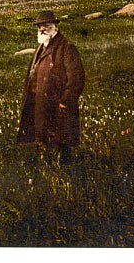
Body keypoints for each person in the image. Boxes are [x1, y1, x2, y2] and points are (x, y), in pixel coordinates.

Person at [17, 10, 85, 157]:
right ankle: (48, 174)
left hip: (58, 108)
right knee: (43, 145)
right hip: (40, 105)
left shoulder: (67, 48)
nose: (42, 30)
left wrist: (64, 102)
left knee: (61, 148)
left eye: (46, 26)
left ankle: (63, 176)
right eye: (39, 27)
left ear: (55, 26)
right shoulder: (41, 48)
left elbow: (76, 80)